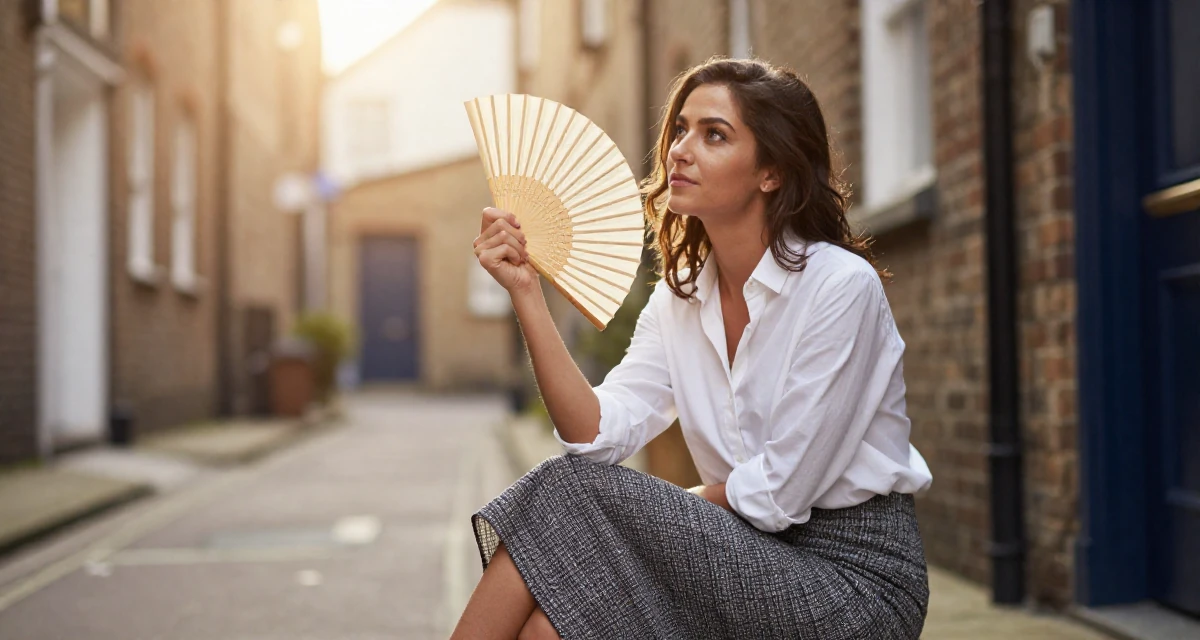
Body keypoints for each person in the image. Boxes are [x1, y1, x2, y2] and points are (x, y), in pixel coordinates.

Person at [452, 57, 933, 640]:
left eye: (714, 134)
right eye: (680, 129)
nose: (680, 149)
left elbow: (780, 492)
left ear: (771, 172)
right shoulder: (679, 301)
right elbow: (595, 435)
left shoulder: (839, 288)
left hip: (850, 581)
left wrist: (650, 511)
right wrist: (527, 290)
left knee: (569, 493)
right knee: (549, 626)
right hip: (736, 554)